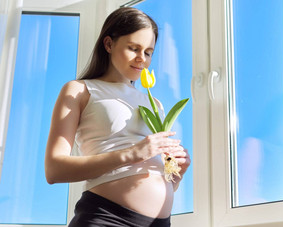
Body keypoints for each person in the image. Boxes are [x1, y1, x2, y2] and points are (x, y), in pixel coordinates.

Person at [45, 7, 191, 227]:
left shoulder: (155, 104)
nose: (142, 59)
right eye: (134, 48)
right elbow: (54, 170)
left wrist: (175, 175)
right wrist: (132, 153)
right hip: (106, 218)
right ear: (109, 44)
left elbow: (149, 172)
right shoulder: (79, 90)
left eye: (149, 52)